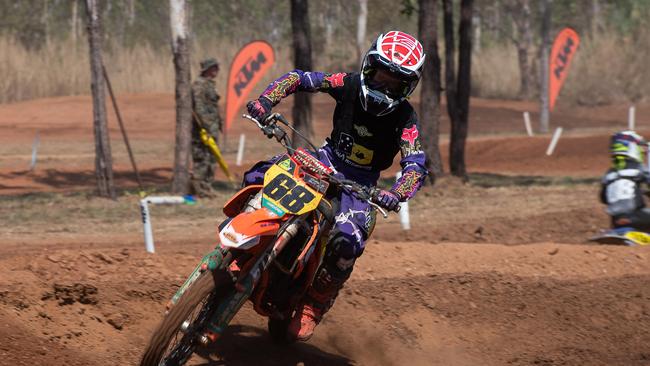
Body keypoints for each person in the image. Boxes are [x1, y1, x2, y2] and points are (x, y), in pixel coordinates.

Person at [245, 31, 429, 341]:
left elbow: (416, 161)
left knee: (347, 243)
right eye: (381, 75)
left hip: (360, 188)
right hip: (323, 161)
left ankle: (314, 304)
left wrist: (396, 193)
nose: (384, 86)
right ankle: (241, 239)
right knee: (262, 174)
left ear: (407, 86)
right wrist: (265, 101)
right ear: (369, 66)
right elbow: (300, 79)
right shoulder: (349, 84)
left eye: (395, 83)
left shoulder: (405, 118)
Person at [600, 130, 650, 231]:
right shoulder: (638, 168)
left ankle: (618, 228)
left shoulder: (609, 173)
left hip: (615, 220)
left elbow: (603, 198)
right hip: (637, 217)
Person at [191, 57, 223, 197]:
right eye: (214, 68)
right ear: (207, 70)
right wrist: (207, 127)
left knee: (211, 158)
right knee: (202, 158)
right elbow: (199, 108)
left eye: (217, 67)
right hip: (203, 130)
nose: (217, 70)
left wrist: (218, 124)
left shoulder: (209, 84)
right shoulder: (199, 85)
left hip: (212, 128)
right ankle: (199, 189)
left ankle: (207, 186)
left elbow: (212, 106)